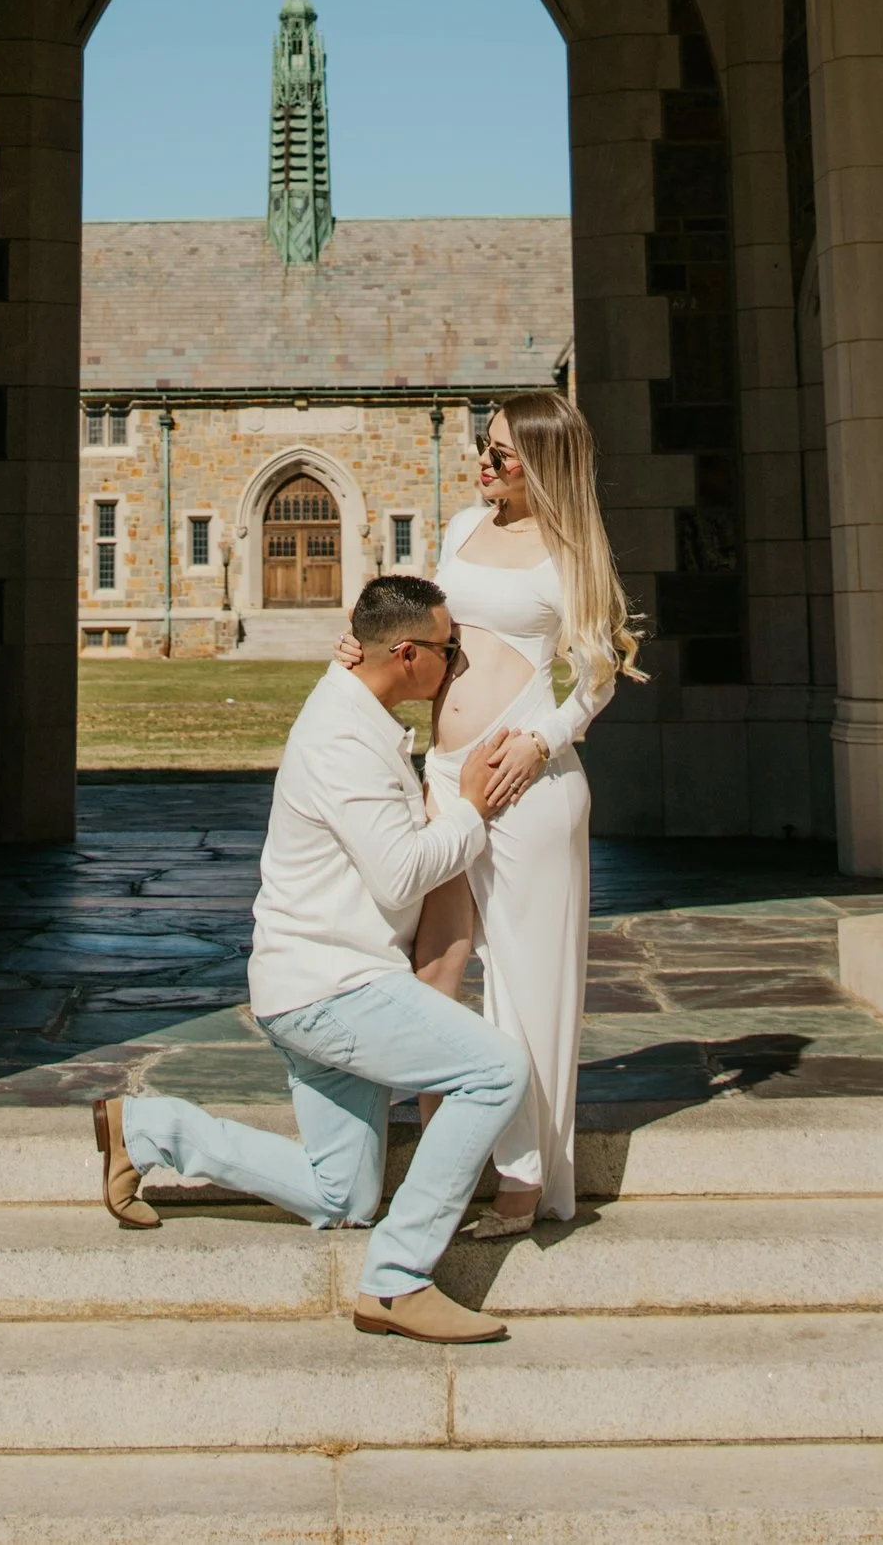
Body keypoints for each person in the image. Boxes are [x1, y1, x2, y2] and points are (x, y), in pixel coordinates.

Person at [92, 572, 532, 1343]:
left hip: (308, 984)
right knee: (494, 1070)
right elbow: (399, 870)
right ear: (405, 653)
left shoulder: (355, 703)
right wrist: (472, 808)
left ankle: (147, 1131)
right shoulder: (341, 737)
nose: (457, 664)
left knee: (343, 1194)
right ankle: (397, 1281)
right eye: (448, 648)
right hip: (335, 987)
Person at [386, 388, 645, 1227]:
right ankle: (440, 1168)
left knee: (525, 981)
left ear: (544, 464)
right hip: (450, 772)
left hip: (529, 784)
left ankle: (527, 1176)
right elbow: (428, 626)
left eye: (502, 455)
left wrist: (540, 742)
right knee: (433, 973)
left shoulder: (569, 547)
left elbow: (597, 671)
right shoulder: (462, 528)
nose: (485, 463)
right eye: (483, 446)